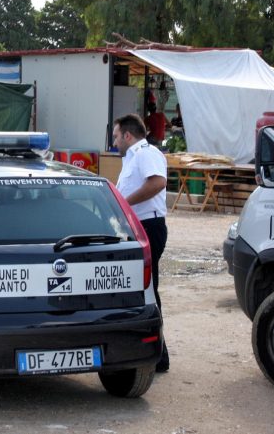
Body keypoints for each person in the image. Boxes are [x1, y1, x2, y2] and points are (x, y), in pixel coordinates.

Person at [112, 113, 170, 373]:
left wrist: (125, 204)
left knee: (148, 289)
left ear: (127, 135)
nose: (114, 142)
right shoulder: (132, 158)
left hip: (149, 225)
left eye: (116, 136)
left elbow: (157, 182)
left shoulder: (145, 153)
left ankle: (158, 355)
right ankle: (155, 353)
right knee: (143, 288)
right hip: (139, 226)